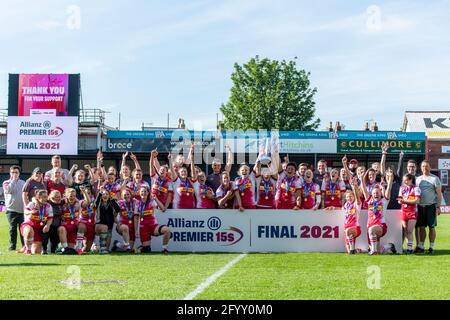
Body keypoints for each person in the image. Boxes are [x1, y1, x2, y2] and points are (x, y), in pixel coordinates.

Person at [361, 170, 396, 255]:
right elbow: (364, 188)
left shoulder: (384, 201)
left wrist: (390, 179)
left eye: (377, 192)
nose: (376, 194)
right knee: (377, 248)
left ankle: (374, 252)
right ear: (371, 194)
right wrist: (362, 178)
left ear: (381, 193)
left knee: (372, 231)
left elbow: (389, 188)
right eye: (374, 193)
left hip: (381, 226)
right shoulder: (369, 200)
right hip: (370, 225)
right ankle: (389, 246)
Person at [415, 160, 442, 254]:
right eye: (423, 166)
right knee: (421, 227)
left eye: (426, 166)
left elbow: (439, 194)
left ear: (430, 167)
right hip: (420, 207)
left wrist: (438, 207)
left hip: (431, 206)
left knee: (432, 227)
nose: (424, 168)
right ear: (420, 168)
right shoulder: (418, 179)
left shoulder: (435, 178)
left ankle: (431, 247)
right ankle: (421, 246)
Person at [135, 186, 171, 254]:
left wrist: (156, 199)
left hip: (153, 226)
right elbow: (136, 218)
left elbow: (163, 209)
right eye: (142, 191)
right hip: (143, 228)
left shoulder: (152, 201)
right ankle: (140, 248)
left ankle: (164, 248)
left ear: (148, 193)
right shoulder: (137, 203)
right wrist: (136, 230)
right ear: (139, 193)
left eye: (145, 191)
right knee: (147, 250)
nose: (143, 193)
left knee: (167, 230)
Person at [21, 189, 53, 255]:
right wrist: (31, 212)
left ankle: (25, 247)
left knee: (36, 252)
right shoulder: (32, 204)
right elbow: (25, 211)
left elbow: (50, 218)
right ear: (38, 197)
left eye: (47, 197)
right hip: (29, 225)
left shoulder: (48, 206)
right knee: (29, 231)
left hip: (39, 229)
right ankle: (28, 250)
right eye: (44, 197)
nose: (46, 199)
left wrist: (47, 225)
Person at [3, 165, 26, 251]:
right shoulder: (6, 182)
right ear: (10, 173)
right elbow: (8, 190)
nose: (14, 174)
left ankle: (25, 245)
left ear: (19, 173)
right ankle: (12, 246)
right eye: (12, 172)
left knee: (22, 229)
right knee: (12, 229)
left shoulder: (23, 183)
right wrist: (13, 180)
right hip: (11, 210)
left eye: (16, 172)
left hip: (22, 210)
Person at [94, 185, 121, 254]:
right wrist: (99, 193)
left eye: (107, 194)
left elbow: (118, 209)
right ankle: (101, 248)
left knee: (107, 249)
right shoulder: (99, 203)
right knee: (104, 227)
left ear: (109, 196)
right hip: (99, 225)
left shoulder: (111, 203)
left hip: (109, 226)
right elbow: (95, 205)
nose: (105, 195)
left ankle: (104, 249)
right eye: (103, 194)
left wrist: (113, 200)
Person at [398, 174, 421, 254]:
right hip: (403, 211)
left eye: (406, 180)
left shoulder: (416, 188)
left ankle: (409, 248)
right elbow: (399, 200)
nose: (405, 182)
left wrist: (404, 201)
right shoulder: (402, 188)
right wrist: (401, 201)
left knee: (410, 231)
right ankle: (408, 246)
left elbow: (417, 201)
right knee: (405, 230)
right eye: (404, 180)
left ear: (411, 180)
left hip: (412, 212)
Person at [170, 144, 197, 209]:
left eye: (182, 160)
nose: (181, 161)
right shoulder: (173, 169)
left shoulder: (185, 170)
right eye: (179, 160)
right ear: (176, 161)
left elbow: (189, 159)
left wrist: (191, 148)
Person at [58, 188, 82, 254]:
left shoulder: (78, 203)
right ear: (66, 195)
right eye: (71, 196)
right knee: (61, 229)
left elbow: (87, 202)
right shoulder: (62, 202)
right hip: (65, 226)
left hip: (74, 226)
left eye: (74, 196)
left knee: (72, 249)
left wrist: (77, 202)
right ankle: (65, 249)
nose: (72, 197)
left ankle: (78, 247)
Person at [342, 177, 362, 254]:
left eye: (351, 196)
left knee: (348, 231)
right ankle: (357, 250)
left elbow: (358, 198)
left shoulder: (356, 204)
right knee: (349, 251)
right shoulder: (346, 205)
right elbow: (341, 209)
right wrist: (333, 207)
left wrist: (354, 187)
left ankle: (353, 249)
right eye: (347, 197)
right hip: (346, 228)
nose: (349, 198)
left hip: (355, 228)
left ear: (353, 197)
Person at [76, 186, 95, 253]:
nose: (87, 194)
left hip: (92, 225)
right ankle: (78, 247)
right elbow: (87, 202)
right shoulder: (81, 201)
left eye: (89, 193)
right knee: (81, 226)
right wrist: (84, 192)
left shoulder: (95, 202)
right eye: (86, 193)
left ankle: (88, 247)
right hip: (83, 223)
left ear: (92, 194)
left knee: (87, 250)